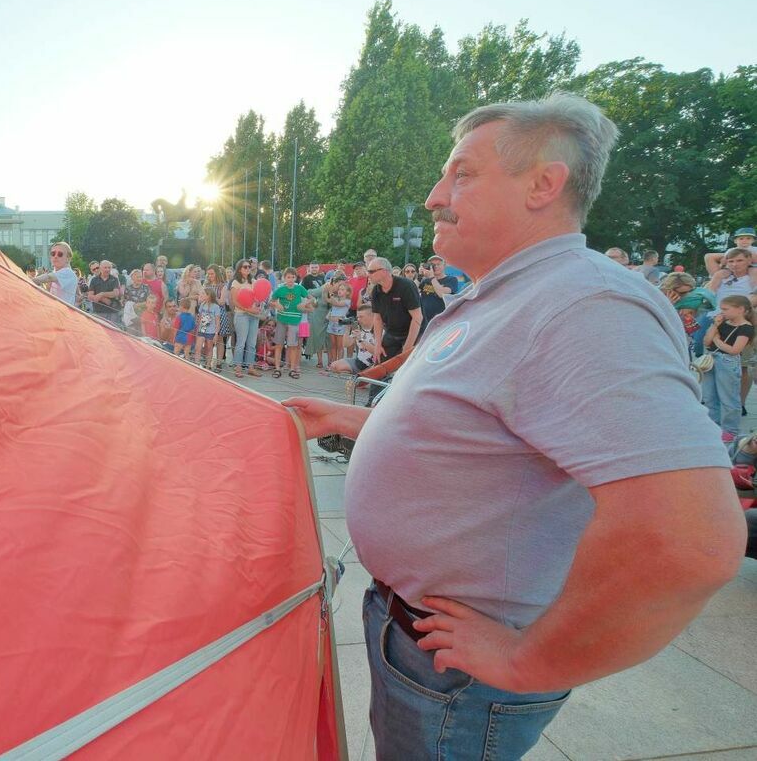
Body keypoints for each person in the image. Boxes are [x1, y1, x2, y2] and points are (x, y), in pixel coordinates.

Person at [284, 93, 742, 761]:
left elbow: (690, 541)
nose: (436, 196)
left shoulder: (583, 304)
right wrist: (352, 420)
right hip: (416, 636)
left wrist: (529, 661)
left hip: (462, 675)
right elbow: (488, 436)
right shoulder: (512, 291)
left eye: (462, 174)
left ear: (543, 183)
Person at [708, 247, 757, 410]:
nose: (735, 264)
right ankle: (714, 400)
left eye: (740, 260)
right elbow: (709, 256)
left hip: (742, 322)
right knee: (711, 362)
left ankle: (740, 403)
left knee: (743, 365)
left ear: (750, 260)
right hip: (718, 320)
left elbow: (753, 298)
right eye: (731, 261)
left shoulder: (754, 275)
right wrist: (721, 270)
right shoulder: (721, 275)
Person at [702, 295, 754, 442]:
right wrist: (715, 326)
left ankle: (730, 431)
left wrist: (717, 340)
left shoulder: (746, 328)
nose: (722, 312)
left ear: (740, 310)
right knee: (709, 396)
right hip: (711, 359)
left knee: (728, 397)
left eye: (726, 309)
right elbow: (706, 341)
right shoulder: (722, 322)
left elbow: (734, 350)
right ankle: (713, 426)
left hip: (727, 361)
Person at [366, 257, 422, 361]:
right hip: (392, 333)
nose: (368, 274)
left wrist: (408, 346)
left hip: (412, 333)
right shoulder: (376, 291)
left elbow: (417, 317)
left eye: (371, 271)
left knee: (407, 367)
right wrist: (378, 344)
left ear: (384, 271)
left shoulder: (406, 286)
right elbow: (377, 319)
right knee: (380, 363)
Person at [270, 267, 311, 379]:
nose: (291, 279)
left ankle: (292, 369)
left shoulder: (300, 288)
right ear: (284, 278)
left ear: (295, 278)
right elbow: (271, 301)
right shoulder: (280, 289)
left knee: (293, 345)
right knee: (279, 344)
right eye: (288, 277)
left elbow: (311, 298)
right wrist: (276, 304)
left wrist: (306, 304)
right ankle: (277, 368)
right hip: (282, 320)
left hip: (295, 320)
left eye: (293, 277)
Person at [229, 260, 263, 379]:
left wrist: (258, 305)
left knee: (252, 344)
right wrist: (250, 310)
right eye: (245, 267)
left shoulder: (253, 281)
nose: (248, 268)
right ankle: (238, 368)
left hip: (254, 315)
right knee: (241, 343)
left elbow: (258, 296)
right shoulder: (235, 282)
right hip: (242, 315)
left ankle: (250, 368)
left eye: (249, 266)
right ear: (239, 269)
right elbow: (235, 302)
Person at [327, 302, 376, 376]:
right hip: (359, 362)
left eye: (361, 317)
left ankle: (361, 376)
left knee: (362, 382)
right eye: (357, 317)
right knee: (334, 366)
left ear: (371, 316)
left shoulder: (378, 331)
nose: (358, 319)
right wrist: (347, 329)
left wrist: (360, 340)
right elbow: (345, 344)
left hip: (373, 364)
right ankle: (358, 375)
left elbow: (376, 351)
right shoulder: (358, 328)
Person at [31, 241, 78, 306]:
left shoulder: (68, 272)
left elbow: (48, 277)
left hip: (62, 313)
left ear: (68, 258)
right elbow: (48, 293)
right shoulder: (56, 272)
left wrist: (28, 280)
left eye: (60, 254)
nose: (55, 256)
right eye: (53, 253)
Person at [417, 255, 457, 331]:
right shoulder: (425, 280)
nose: (436, 267)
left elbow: (442, 294)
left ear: (444, 265)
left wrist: (432, 277)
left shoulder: (451, 280)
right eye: (433, 265)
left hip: (441, 323)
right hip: (424, 321)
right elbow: (412, 292)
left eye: (438, 264)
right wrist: (419, 276)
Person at [324, 280, 354, 366]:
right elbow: (327, 299)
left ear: (347, 292)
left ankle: (339, 364)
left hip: (341, 324)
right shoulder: (335, 298)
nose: (340, 291)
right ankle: (333, 363)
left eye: (343, 289)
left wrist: (331, 294)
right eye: (339, 289)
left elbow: (337, 304)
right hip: (332, 323)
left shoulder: (347, 301)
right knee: (333, 345)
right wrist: (327, 289)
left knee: (340, 346)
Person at [196, 287, 222, 369]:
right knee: (198, 347)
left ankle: (208, 366)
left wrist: (216, 334)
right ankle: (196, 364)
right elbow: (200, 318)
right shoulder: (202, 305)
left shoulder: (216, 307)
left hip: (211, 331)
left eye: (204, 294)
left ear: (209, 295)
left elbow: (218, 321)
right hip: (202, 329)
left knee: (209, 348)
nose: (202, 295)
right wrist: (197, 329)